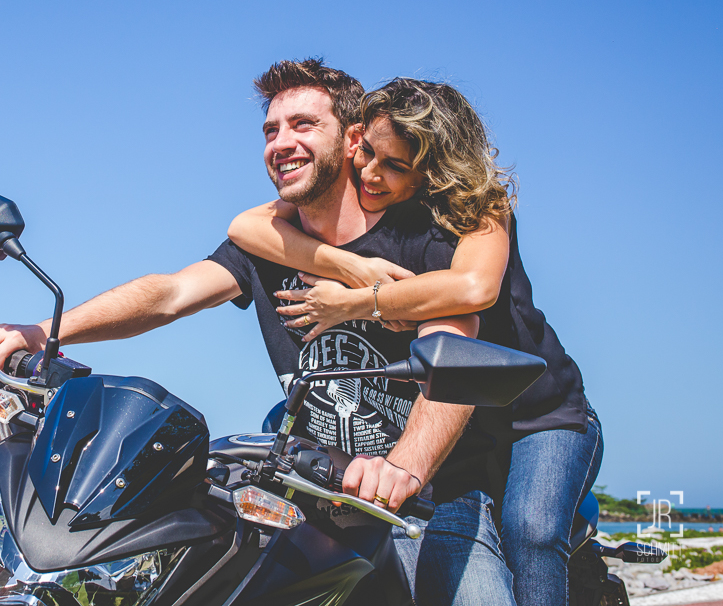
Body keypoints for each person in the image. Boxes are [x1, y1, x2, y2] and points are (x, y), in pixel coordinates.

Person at [0, 59, 516, 606]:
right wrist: (46, 331)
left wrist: (403, 469)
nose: (281, 142)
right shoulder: (266, 245)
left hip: (423, 494)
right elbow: (170, 294)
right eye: (271, 130)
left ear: (353, 140)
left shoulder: (420, 238)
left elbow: (455, 350)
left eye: (303, 125)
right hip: (308, 485)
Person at [226, 78, 600, 606]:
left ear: (436, 167)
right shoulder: (382, 205)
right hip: (461, 431)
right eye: (370, 154)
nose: (372, 173)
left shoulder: (478, 207)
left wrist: (356, 300)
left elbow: (471, 289)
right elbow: (245, 226)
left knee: (530, 532)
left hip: (537, 415)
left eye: (397, 166)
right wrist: (349, 265)